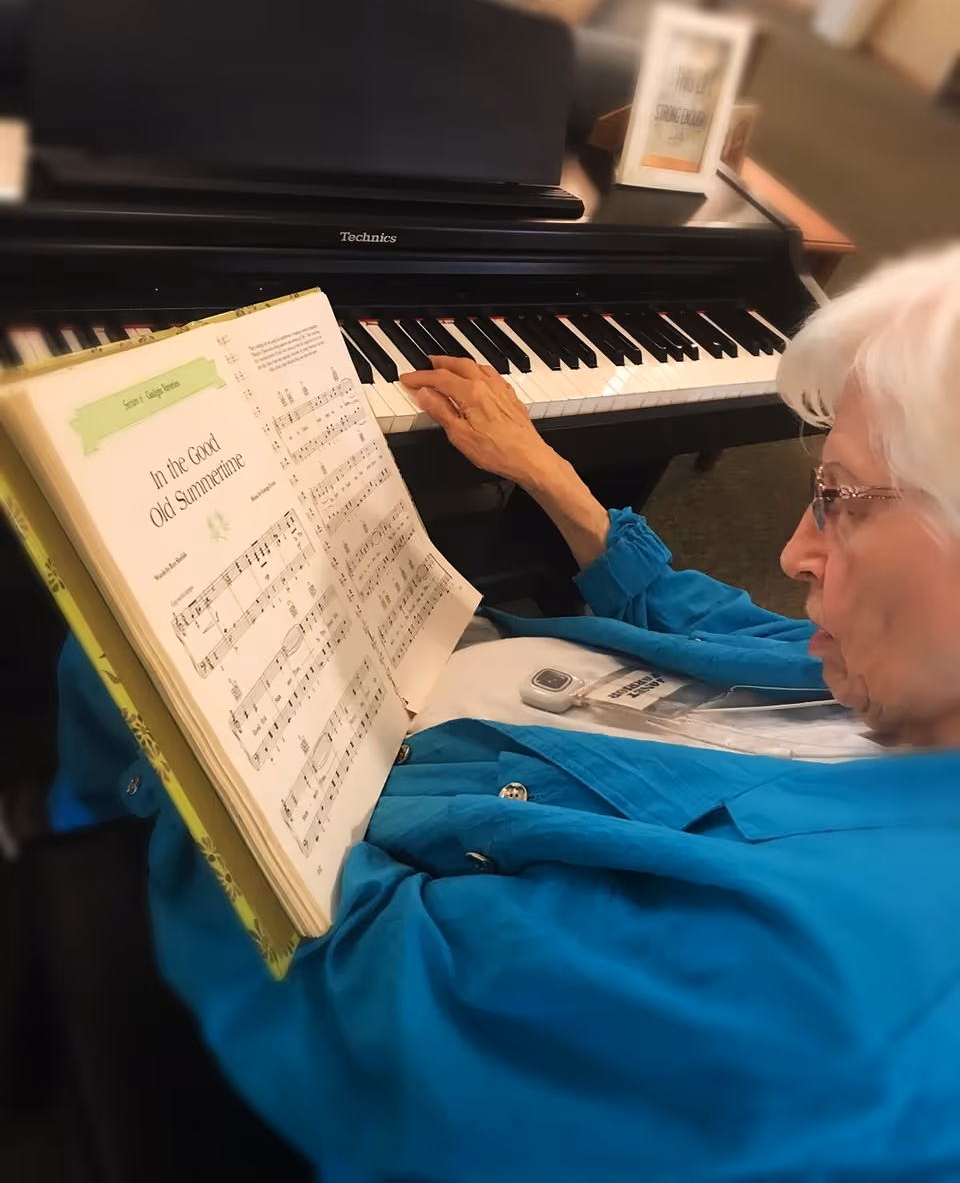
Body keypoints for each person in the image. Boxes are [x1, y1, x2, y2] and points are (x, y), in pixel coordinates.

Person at [56, 245, 960, 1180]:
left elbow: (360, 996)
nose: (793, 552)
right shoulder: (901, 686)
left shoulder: (819, 984)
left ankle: (77, 837)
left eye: (840, 498)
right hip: (424, 676)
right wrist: (545, 472)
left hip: (328, 813)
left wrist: (218, 739)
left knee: (105, 642)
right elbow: (733, 633)